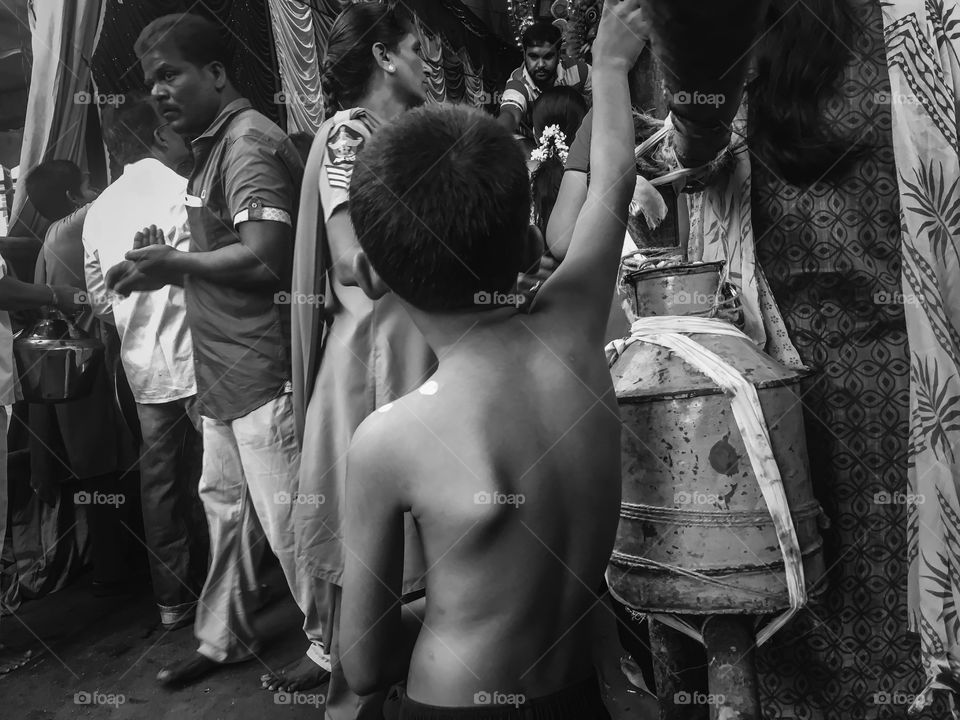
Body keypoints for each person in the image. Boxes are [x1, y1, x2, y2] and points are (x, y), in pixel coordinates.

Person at [338, 1, 646, 716]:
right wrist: (610, 64)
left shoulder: (389, 441)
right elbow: (615, 180)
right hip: (576, 693)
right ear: (525, 242)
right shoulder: (573, 327)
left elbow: (363, 664)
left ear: (381, 276)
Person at [109, 12, 320, 689]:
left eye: (172, 74)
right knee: (225, 512)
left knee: (289, 521)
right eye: (152, 81)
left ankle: (334, 647)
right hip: (226, 377)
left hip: (263, 373)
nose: (160, 91)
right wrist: (167, 263)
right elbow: (218, 255)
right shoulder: (212, 149)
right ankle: (222, 636)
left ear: (218, 74)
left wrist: (175, 263)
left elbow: (264, 261)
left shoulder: (248, 145)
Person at [287, 4, 436, 712]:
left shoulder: (403, 138)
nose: (427, 57)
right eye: (416, 45)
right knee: (373, 578)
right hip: (374, 368)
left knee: (412, 575)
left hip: (409, 360)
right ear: (383, 56)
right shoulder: (352, 134)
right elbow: (354, 263)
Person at [83, 92, 207, 630]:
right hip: (203, 361)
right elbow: (214, 272)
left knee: (160, 486)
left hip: (144, 372)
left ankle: (173, 601)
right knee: (218, 482)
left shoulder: (98, 213)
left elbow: (97, 301)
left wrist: (137, 319)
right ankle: (235, 588)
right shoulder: (185, 191)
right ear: (159, 134)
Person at [24, 160, 143, 598]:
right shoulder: (78, 222)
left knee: (98, 475)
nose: (97, 190)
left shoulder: (50, 237)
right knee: (112, 470)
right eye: (89, 183)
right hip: (92, 369)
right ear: (75, 198)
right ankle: (125, 572)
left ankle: (113, 569)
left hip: (72, 374)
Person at [498, 20, 591, 140]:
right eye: (534, 56)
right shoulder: (518, 83)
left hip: (577, 142)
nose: (540, 64)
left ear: (558, 55)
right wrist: (496, 133)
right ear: (524, 55)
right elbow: (510, 113)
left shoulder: (579, 71)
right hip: (532, 146)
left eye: (548, 56)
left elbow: (607, 95)